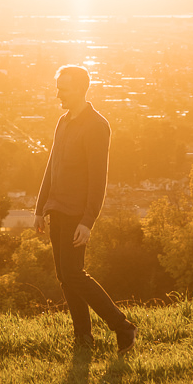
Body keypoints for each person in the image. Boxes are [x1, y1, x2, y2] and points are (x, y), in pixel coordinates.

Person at [36, 65, 137, 353]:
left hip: (76, 214)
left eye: (63, 89)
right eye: (58, 88)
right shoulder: (63, 121)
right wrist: (39, 207)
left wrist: (88, 220)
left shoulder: (96, 125)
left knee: (74, 274)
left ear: (80, 89)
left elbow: (98, 178)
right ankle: (83, 338)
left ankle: (123, 327)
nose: (58, 95)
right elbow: (51, 166)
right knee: (65, 276)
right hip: (56, 209)